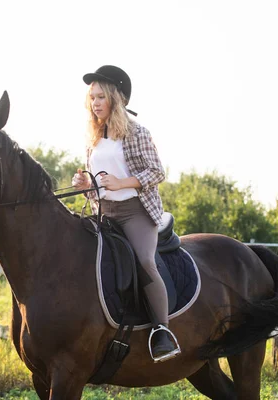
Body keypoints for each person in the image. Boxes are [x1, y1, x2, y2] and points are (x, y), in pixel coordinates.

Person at [72, 65, 180, 362]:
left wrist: (122, 182)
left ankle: (162, 331)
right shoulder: (93, 137)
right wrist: (84, 184)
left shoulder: (136, 133)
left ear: (114, 99)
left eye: (100, 97)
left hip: (135, 213)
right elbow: (96, 186)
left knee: (144, 262)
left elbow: (157, 171)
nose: (95, 103)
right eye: (92, 97)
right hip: (104, 212)